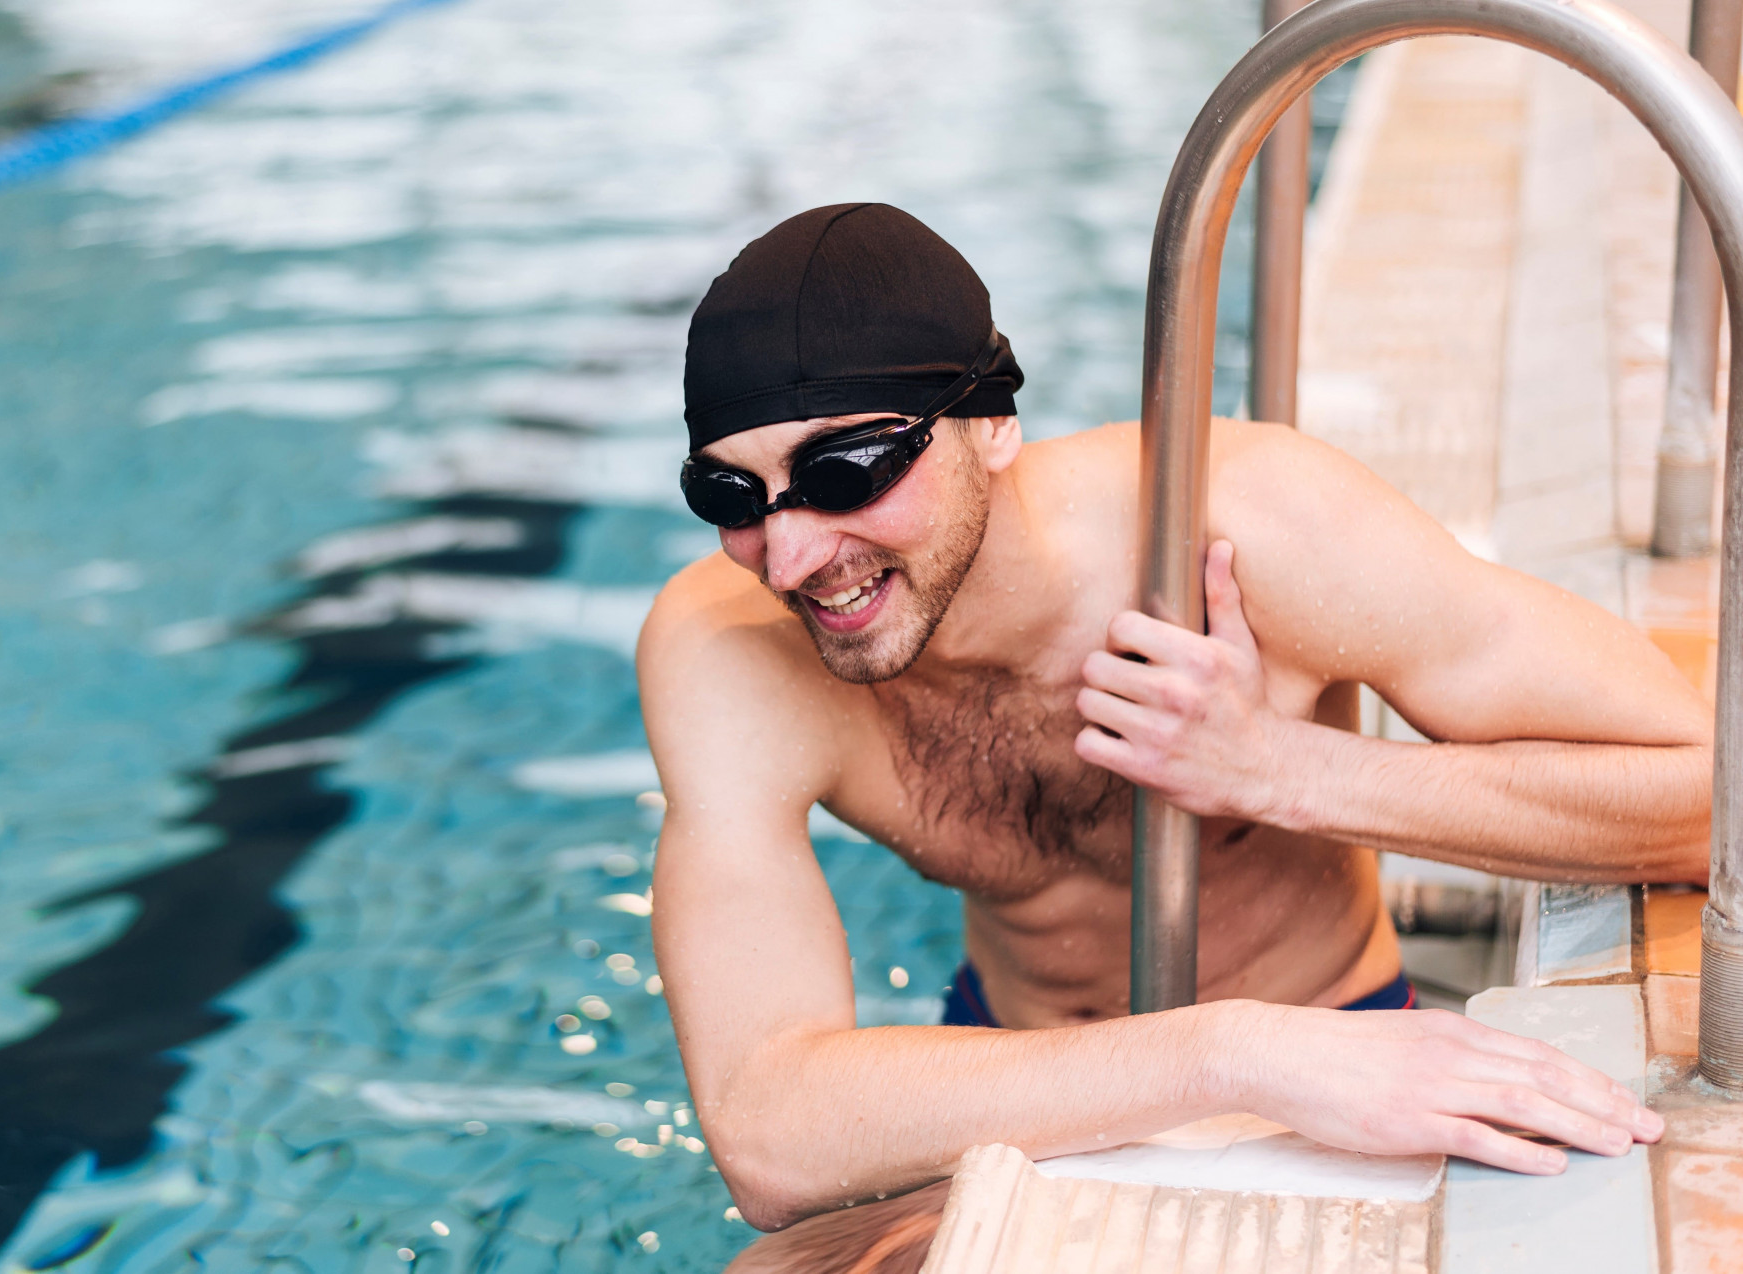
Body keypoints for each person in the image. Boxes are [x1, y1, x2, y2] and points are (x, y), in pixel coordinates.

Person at [637, 203, 1704, 1271]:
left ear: (993, 423)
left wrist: (1289, 770)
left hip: (1341, 1071)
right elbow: (765, 1132)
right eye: (732, 495)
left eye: (845, 473)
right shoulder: (727, 647)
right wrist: (1229, 1050)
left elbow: (1712, 796)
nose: (789, 559)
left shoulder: (1250, 524)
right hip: (1028, 1090)